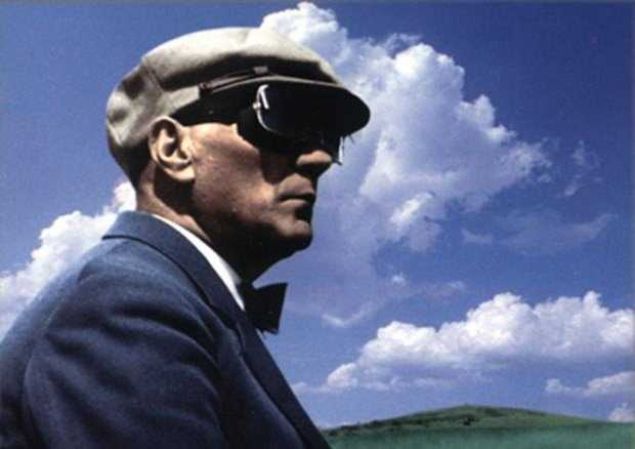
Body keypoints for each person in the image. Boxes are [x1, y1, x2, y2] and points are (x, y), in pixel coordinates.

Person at [0, 27, 369, 449]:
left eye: (327, 136)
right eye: (282, 117)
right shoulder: (127, 303)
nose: (320, 157)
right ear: (174, 150)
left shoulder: (173, 298)